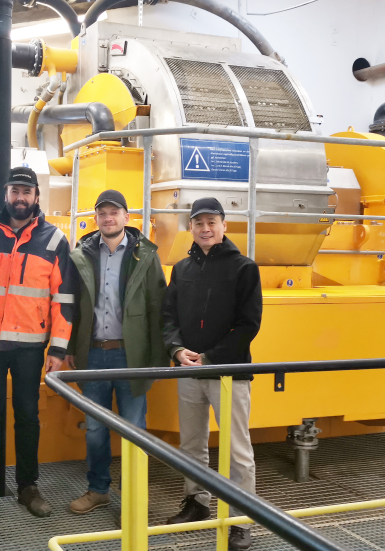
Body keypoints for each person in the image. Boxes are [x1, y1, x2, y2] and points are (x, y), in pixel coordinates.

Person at [0, 166, 76, 521]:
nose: (20, 197)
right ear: (6, 194)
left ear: (36, 196)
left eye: (27, 192)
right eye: (15, 191)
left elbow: (64, 299)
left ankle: (28, 487)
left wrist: (58, 349)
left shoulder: (54, 240)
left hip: (30, 348)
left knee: (28, 416)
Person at [161, 197, 262, 551]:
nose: (205, 229)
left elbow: (248, 325)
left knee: (237, 450)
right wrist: (176, 350)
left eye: (211, 222)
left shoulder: (243, 268)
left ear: (224, 225)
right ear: (190, 227)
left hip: (228, 373)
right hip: (189, 371)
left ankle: (241, 520)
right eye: (198, 223)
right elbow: (169, 316)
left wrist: (210, 358)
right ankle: (197, 502)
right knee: (191, 443)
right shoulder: (182, 269)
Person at [65, 189, 168, 514]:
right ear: (96, 218)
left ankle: (134, 497)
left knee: (134, 429)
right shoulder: (81, 254)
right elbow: (73, 307)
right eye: (102, 213)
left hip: (131, 356)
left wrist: (158, 359)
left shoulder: (145, 256)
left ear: (126, 216)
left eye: (114, 212)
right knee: (95, 429)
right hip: (93, 354)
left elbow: (158, 308)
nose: (108, 218)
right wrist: (70, 347)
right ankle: (98, 490)